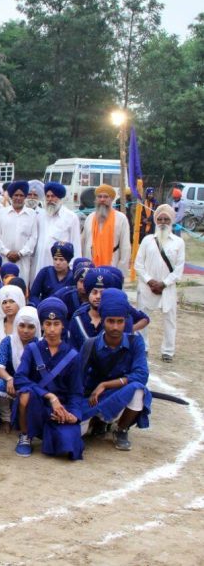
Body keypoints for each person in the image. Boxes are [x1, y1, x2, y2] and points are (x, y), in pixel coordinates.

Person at [79, 288, 152, 451]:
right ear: (103, 320)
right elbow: (79, 377)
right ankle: (96, 421)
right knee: (74, 432)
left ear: (126, 321)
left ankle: (121, 429)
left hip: (119, 392)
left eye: (120, 321)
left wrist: (105, 385)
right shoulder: (91, 344)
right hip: (93, 396)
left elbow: (141, 375)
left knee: (138, 390)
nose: (115, 327)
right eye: (110, 321)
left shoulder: (135, 342)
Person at [12, 298, 84, 460]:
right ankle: (25, 435)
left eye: (56, 324)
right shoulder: (32, 349)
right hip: (35, 403)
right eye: (47, 324)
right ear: (42, 325)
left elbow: (76, 391)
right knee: (25, 395)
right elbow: (20, 378)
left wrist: (73, 414)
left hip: (60, 408)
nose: (51, 329)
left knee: (68, 447)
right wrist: (49, 396)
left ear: (63, 325)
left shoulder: (73, 356)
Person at [134, 204, 185, 362]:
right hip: (147, 286)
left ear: (171, 221)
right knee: (142, 318)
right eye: (160, 219)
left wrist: (163, 283)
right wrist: (150, 281)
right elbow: (138, 265)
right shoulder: (147, 240)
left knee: (170, 320)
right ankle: (144, 348)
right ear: (156, 221)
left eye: (166, 219)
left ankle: (168, 351)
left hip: (167, 288)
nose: (163, 222)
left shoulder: (178, 242)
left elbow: (178, 269)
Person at [0, 305, 39, 432]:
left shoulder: (40, 344)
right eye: (21, 325)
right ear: (16, 325)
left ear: (37, 327)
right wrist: (9, 378)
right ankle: (6, 419)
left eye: (31, 327)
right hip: (11, 382)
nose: (25, 330)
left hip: (31, 383)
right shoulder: (8, 341)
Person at [0, 180, 38, 282]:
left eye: (21, 195)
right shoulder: (2, 213)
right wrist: (7, 252)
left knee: (22, 286)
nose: (18, 198)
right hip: (5, 259)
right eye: (16, 195)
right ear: (11, 196)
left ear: (25, 197)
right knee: (4, 286)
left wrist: (20, 253)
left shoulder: (32, 214)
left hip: (23, 260)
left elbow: (33, 238)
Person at [34, 182, 82, 277]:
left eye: (53, 196)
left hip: (61, 268)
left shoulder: (70, 217)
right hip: (40, 264)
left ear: (60, 198)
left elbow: (76, 245)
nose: (50, 199)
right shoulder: (40, 215)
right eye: (47, 196)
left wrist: (72, 269)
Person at [82, 184, 131, 273]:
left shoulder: (121, 218)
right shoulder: (89, 218)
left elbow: (125, 247)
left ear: (111, 199)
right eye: (99, 197)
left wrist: (121, 272)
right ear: (96, 199)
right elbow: (84, 243)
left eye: (106, 197)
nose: (102, 199)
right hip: (90, 268)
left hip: (112, 267)